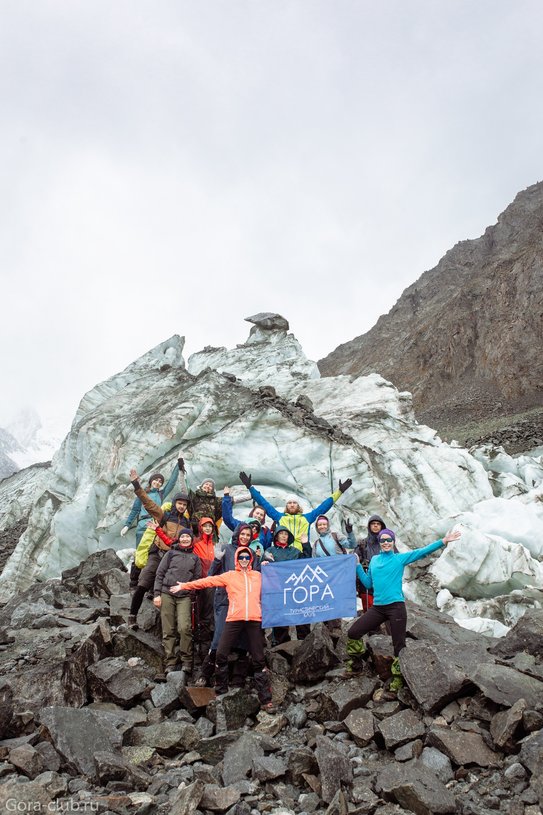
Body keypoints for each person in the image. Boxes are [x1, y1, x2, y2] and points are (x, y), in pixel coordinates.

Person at [347, 528, 461, 691]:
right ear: (379, 542)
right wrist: (358, 566)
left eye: (389, 540)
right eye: (383, 540)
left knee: (399, 645)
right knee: (353, 632)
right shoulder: (374, 561)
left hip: (396, 608)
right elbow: (368, 584)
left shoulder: (399, 558)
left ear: (393, 542)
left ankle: (398, 679)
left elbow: (422, 552)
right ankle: (357, 664)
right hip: (378, 608)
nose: (386, 542)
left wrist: (443, 541)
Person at [171, 546, 274, 711]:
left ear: (251, 560)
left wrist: (269, 567)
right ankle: (221, 691)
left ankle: (266, 700)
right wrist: (185, 586)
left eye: (247, 557)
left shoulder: (258, 576)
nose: (244, 560)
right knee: (220, 653)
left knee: (258, 659)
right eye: (241, 557)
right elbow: (207, 581)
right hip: (234, 619)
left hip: (254, 620)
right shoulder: (230, 575)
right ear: (237, 559)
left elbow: (277, 582)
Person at [196, 522, 260, 687]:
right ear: (237, 534)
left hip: (244, 603)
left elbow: (257, 578)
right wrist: (217, 560)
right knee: (220, 637)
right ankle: (205, 673)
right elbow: (211, 575)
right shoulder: (226, 549)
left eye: (248, 535)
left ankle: (238, 677)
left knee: (244, 639)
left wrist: (265, 564)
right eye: (242, 534)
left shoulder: (253, 554)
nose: (245, 537)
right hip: (225, 600)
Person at [127, 469, 192, 627]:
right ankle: (132, 616)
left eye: (184, 504)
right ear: (175, 503)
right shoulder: (165, 516)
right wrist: (136, 485)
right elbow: (148, 504)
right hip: (157, 554)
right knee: (143, 584)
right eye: (180, 503)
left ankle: (163, 625)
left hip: (172, 560)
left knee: (168, 592)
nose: (182, 506)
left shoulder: (186, 524)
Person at [239, 471, 353, 553]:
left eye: (294, 502)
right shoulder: (279, 517)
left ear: (298, 505)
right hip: (284, 554)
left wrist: (339, 492)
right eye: (289, 503)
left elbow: (323, 507)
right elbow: (264, 503)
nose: (292, 504)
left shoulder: (307, 518)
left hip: (302, 555)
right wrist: (250, 487)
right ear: (286, 505)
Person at [120, 457, 184, 588]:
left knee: (151, 554)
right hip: (142, 525)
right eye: (156, 480)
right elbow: (135, 510)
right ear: (151, 481)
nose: (158, 482)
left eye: (160, 481)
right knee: (140, 552)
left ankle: (146, 582)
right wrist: (127, 525)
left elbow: (171, 483)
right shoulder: (143, 494)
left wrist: (178, 466)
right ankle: (134, 581)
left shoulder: (161, 494)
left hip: (155, 526)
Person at [152, 525, 202, 678]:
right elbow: (160, 574)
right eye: (183, 537)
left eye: (187, 537)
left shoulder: (195, 558)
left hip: (184, 596)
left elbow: (197, 578)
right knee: (168, 629)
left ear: (191, 539)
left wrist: (191, 592)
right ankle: (170, 662)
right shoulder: (171, 553)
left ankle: (187, 660)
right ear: (179, 539)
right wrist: (157, 594)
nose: (185, 539)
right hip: (167, 593)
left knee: (184, 627)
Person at [262, 526, 310, 644]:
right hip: (278, 590)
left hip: (295, 588)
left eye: (286, 534)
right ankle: (280, 644)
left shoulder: (295, 551)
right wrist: (264, 562)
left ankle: (305, 641)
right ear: (276, 536)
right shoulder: (270, 551)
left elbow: (307, 560)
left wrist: (305, 544)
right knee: (280, 616)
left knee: (301, 613)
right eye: (281, 533)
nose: (283, 536)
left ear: (289, 537)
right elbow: (263, 567)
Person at [191, 517, 217, 653]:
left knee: (209, 612)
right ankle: (200, 641)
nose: (208, 528)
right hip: (200, 582)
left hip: (212, 583)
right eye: (205, 526)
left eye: (210, 526)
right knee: (200, 612)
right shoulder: (196, 543)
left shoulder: (214, 545)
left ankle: (207, 642)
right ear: (200, 528)